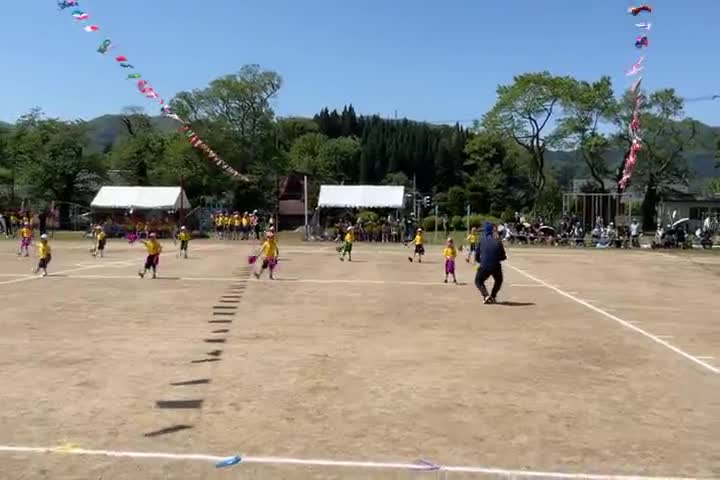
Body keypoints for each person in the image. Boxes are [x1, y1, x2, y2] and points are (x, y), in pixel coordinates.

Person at [474, 222, 507, 304]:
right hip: (496, 265)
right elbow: (503, 257)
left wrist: (481, 262)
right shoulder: (498, 241)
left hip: (484, 265)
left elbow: (476, 256)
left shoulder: (481, 240)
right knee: (499, 280)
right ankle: (492, 296)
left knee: (478, 281)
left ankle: (486, 295)